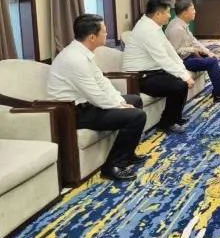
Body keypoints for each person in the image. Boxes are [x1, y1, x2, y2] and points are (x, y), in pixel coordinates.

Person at [48, 14, 147, 181]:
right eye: (104, 31)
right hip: (72, 113)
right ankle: (113, 166)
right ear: (92, 37)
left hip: (87, 104)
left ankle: (127, 153)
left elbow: (102, 82)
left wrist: (120, 101)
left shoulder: (83, 53)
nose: (107, 34)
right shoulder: (74, 59)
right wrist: (119, 106)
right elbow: (95, 95)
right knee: (136, 116)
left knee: (134, 100)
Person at [123, 0, 194, 134]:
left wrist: (183, 71)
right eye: (167, 12)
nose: (169, 15)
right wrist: (184, 76)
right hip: (138, 77)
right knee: (179, 85)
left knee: (181, 81)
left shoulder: (153, 26)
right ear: (157, 14)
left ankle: (174, 117)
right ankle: (166, 123)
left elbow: (170, 51)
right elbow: (163, 58)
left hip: (152, 72)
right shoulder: (147, 30)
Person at [166, 0, 220, 102]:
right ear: (185, 12)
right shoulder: (176, 28)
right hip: (182, 61)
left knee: (211, 58)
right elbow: (175, 51)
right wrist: (193, 49)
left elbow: (194, 41)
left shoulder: (182, 24)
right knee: (211, 62)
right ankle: (219, 94)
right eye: (192, 9)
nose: (195, 11)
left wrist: (208, 52)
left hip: (189, 55)